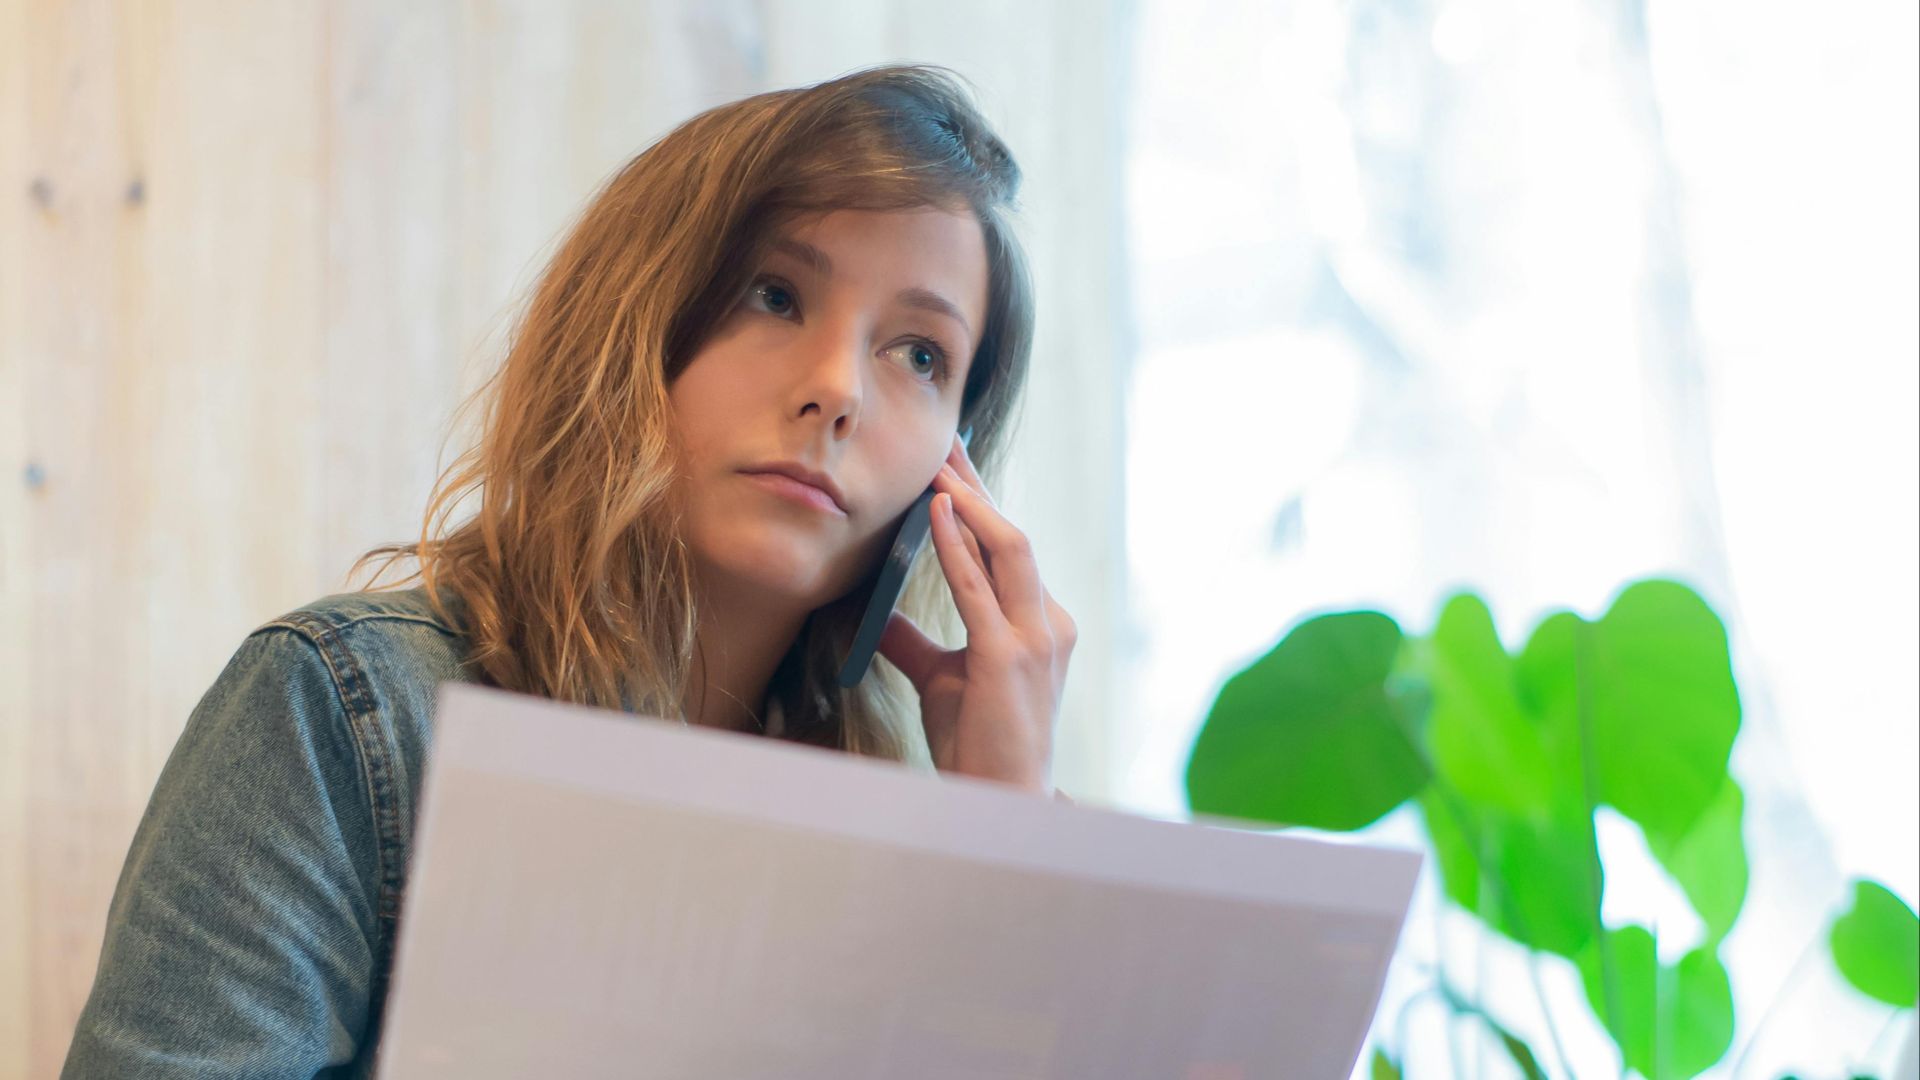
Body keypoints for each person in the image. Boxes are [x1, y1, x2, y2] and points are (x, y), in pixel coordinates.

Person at [60, 63, 1077, 1079]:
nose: (835, 391)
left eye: (921, 355)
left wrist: (1006, 832)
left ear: (956, 468)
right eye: (775, 294)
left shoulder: (914, 828)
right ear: (633, 328)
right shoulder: (345, 708)